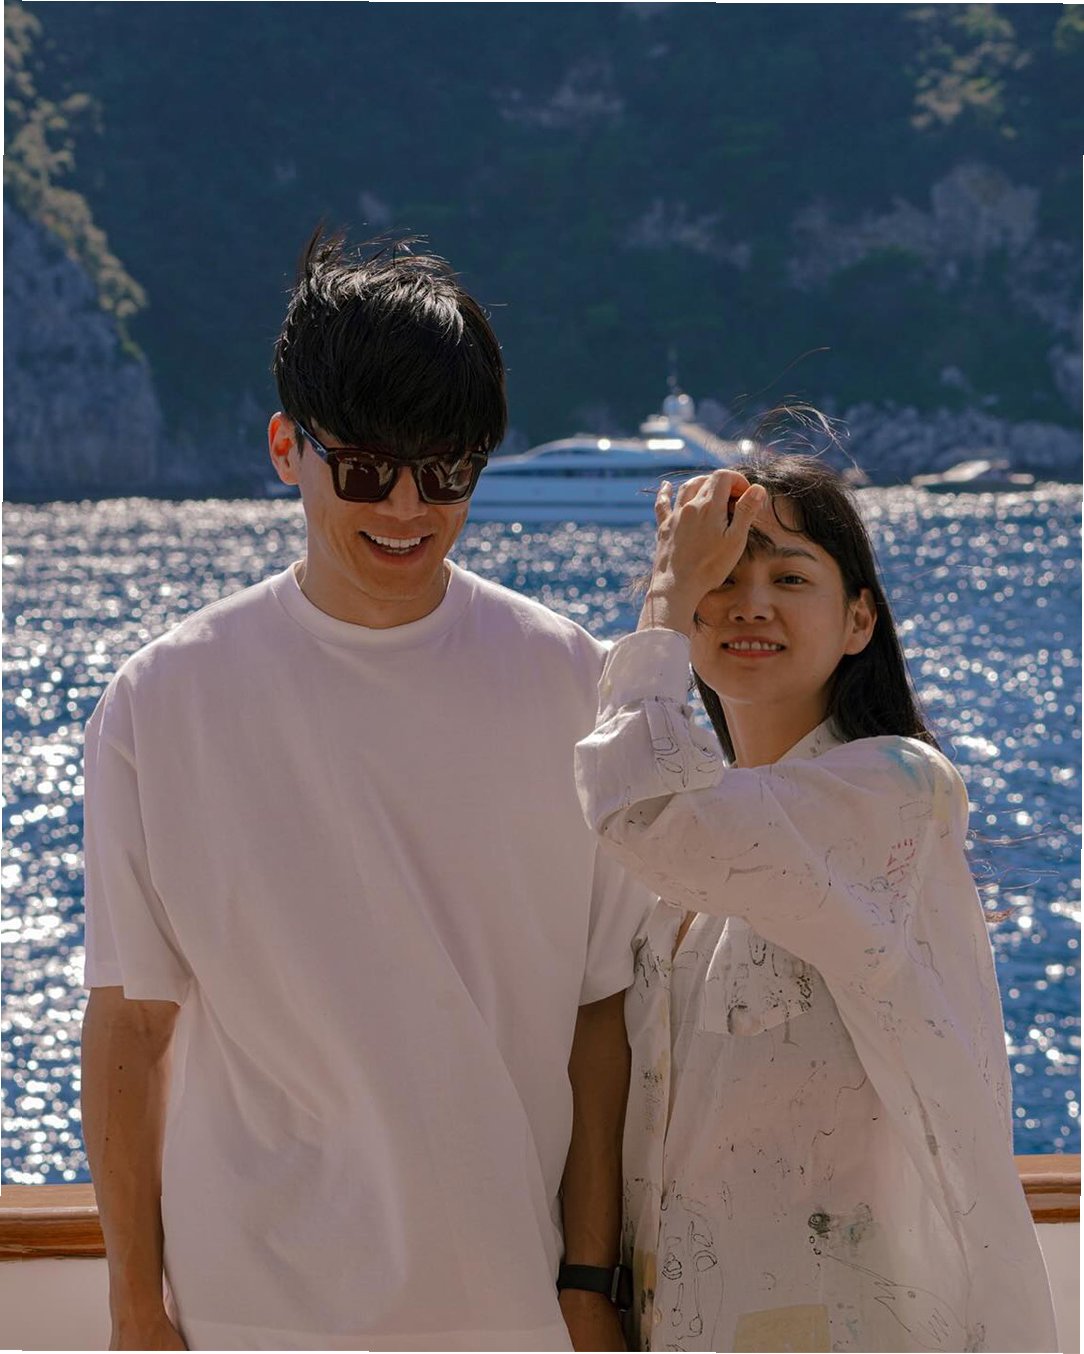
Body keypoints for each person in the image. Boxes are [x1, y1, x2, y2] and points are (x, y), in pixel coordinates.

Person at [80, 232, 648, 1351]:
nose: (407, 506)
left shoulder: (571, 680)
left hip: (507, 1301)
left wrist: (587, 1279)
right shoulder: (161, 701)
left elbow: (601, 1014)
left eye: (447, 471)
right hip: (253, 1311)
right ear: (287, 448)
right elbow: (130, 1024)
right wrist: (135, 1308)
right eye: (365, 469)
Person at [575, 458, 1059, 1352]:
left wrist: (669, 597)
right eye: (723, 577)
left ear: (859, 620)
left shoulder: (894, 792)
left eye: (790, 578)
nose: (750, 604)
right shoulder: (694, 874)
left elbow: (639, 809)